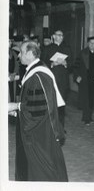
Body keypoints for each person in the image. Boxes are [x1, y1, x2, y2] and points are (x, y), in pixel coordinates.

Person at [8, 41, 68, 181]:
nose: (19, 56)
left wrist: (16, 106)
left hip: (39, 134)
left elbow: (37, 109)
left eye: (22, 52)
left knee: (41, 171)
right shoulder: (34, 70)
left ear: (30, 53)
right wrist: (17, 112)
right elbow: (35, 104)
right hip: (40, 128)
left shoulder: (38, 75)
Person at [41, 30, 72, 128]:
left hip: (63, 80)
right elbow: (42, 63)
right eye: (59, 35)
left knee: (61, 104)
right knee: (50, 103)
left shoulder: (67, 48)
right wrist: (52, 64)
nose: (61, 37)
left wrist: (66, 63)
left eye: (62, 35)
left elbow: (73, 64)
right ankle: (50, 126)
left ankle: (61, 127)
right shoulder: (47, 49)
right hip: (51, 79)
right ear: (53, 36)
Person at [9, 38, 19, 102]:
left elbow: (17, 64)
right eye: (8, 41)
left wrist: (14, 73)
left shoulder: (13, 52)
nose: (10, 43)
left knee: (12, 93)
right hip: (5, 77)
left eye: (10, 41)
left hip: (13, 77)